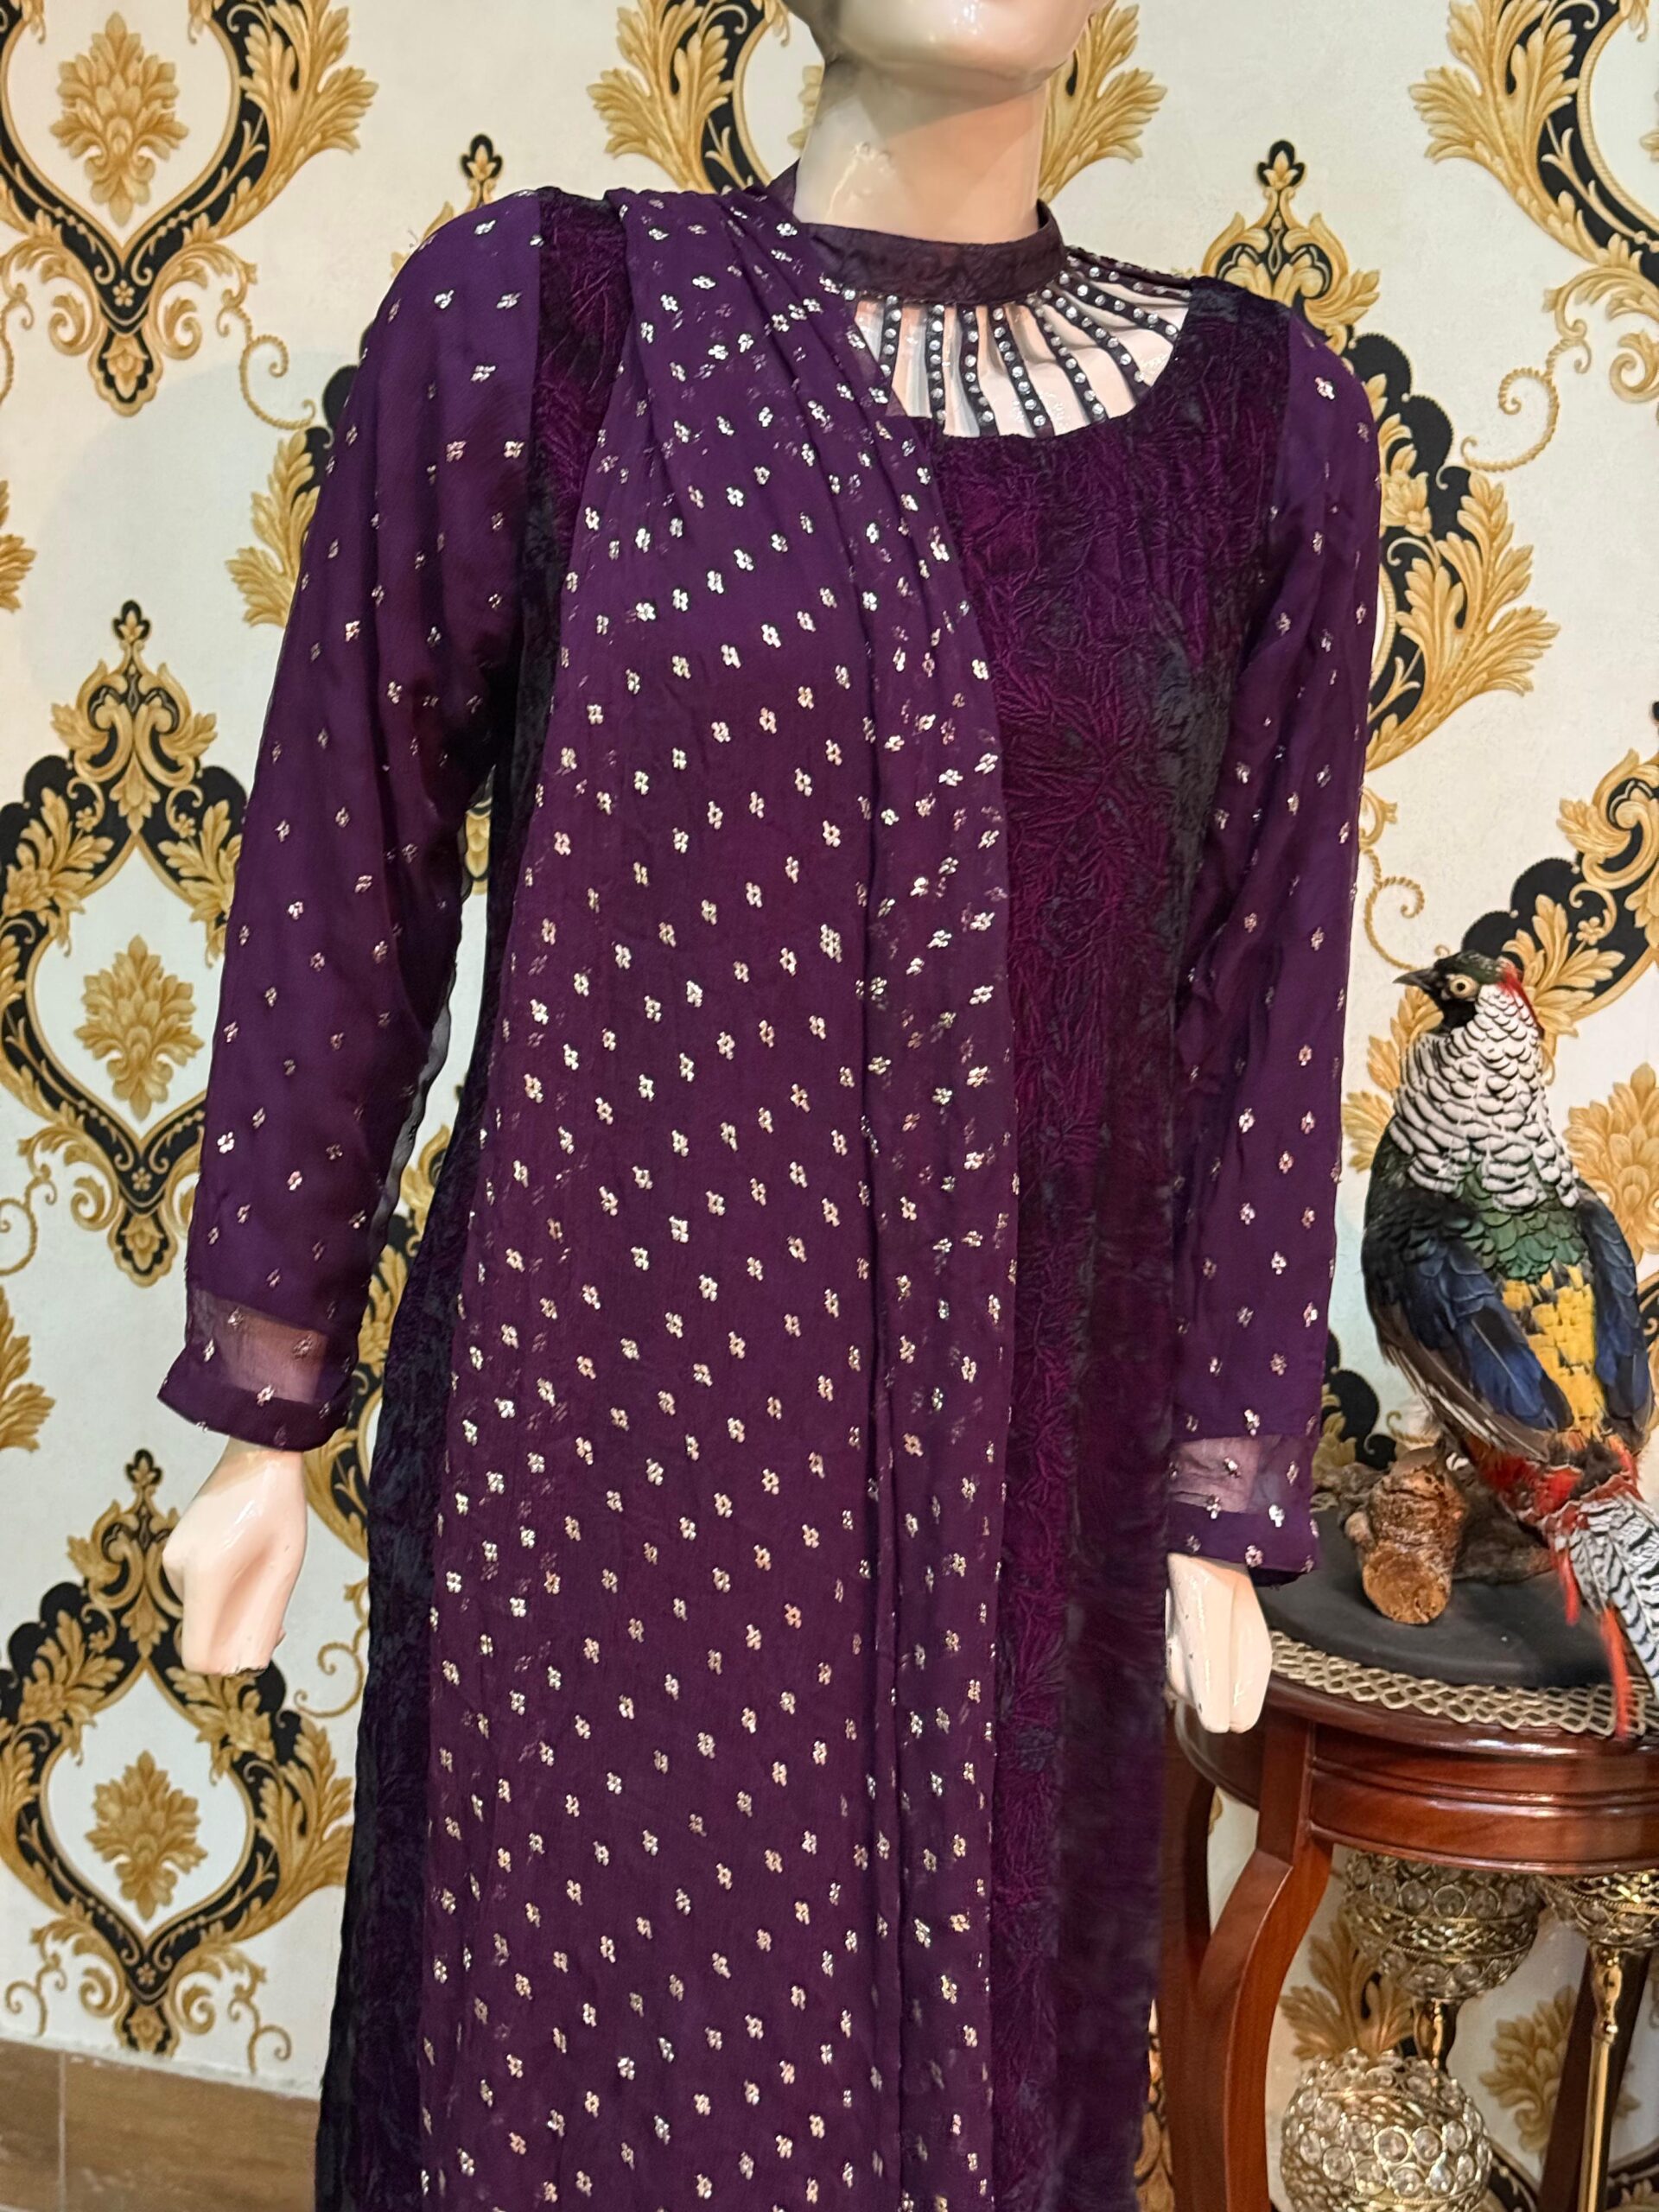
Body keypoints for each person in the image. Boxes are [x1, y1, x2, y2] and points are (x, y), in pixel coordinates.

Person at [158, 3, 1382, 2203]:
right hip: (596, 1465)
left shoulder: (1261, 430)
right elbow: (346, 861)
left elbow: (1264, 986)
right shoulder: (544, 325)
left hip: (1025, 1503)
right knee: (545, 2088)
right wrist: (270, 1398)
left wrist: (1223, 1482)